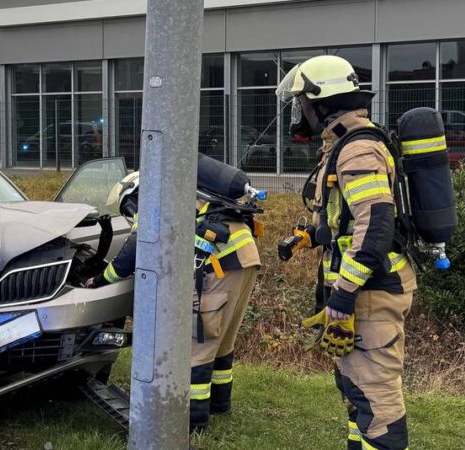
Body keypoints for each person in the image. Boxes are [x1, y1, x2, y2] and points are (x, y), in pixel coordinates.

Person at [276, 55, 417, 450]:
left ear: (321, 102)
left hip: (370, 292)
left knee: (376, 400)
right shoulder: (344, 144)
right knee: (356, 387)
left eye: (302, 102)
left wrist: (342, 296)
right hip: (366, 290)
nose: (299, 111)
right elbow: (345, 220)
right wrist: (311, 236)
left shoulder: (357, 151)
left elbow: (374, 228)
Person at [85, 170, 261, 435]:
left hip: (220, 267)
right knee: (223, 341)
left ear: (134, 195)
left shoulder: (155, 201)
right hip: (245, 261)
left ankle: (194, 425)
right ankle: (220, 405)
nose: (131, 213)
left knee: (197, 345)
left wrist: (98, 281)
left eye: (128, 208)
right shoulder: (188, 195)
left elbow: (133, 251)